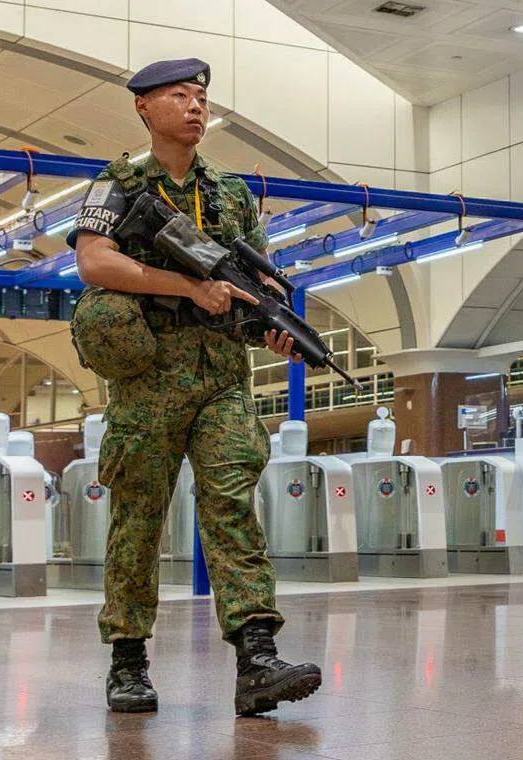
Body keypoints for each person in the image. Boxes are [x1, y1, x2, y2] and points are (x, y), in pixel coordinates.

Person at [68, 58, 321, 715]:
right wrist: (185, 285)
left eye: (202, 97)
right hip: (148, 377)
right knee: (138, 519)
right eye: (179, 96)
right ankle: (127, 661)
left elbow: (258, 284)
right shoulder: (118, 182)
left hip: (221, 377)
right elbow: (94, 260)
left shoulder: (231, 193)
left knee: (231, 503)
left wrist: (270, 323)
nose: (195, 107)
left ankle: (257, 656)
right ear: (143, 109)